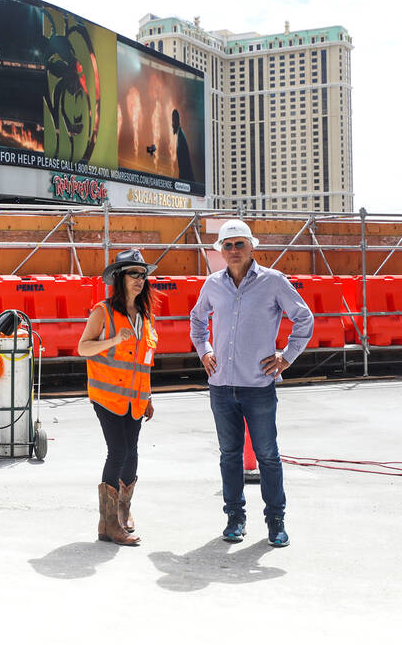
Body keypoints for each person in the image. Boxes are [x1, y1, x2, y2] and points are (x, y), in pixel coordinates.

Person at [189, 220, 313, 547]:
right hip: (221, 386)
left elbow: (304, 318)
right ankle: (234, 518)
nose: (233, 251)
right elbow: (197, 320)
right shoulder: (213, 285)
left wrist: (287, 357)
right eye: (227, 246)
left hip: (258, 386)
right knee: (229, 455)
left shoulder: (273, 282)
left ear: (252, 247)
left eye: (239, 244)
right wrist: (205, 352)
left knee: (268, 455)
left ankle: (276, 522)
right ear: (220, 251)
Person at [77, 248, 159, 546]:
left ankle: (122, 514)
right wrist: (113, 340)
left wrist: (148, 397)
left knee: (132, 452)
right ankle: (108, 523)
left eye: (143, 274)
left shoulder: (145, 317)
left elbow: (144, 362)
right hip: (107, 396)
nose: (140, 279)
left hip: (135, 399)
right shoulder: (103, 312)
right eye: (134, 274)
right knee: (119, 451)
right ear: (120, 278)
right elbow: (83, 348)